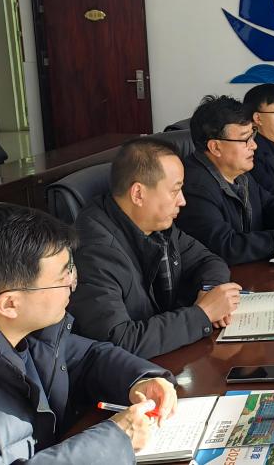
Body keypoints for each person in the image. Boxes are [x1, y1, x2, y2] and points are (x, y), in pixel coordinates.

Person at [0, 204, 178, 463]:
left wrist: (140, 380)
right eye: (61, 279)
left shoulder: (23, 330)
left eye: (71, 271)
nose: (72, 285)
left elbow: (88, 358)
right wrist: (117, 439)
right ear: (10, 304)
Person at [69, 137, 241, 358]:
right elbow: (118, 341)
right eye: (175, 191)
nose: (182, 201)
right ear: (138, 194)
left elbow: (208, 260)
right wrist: (203, 314)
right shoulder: (95, 251)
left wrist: (209, 292)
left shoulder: (155, 224)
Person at [176, 95, 274, 265]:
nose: (254, 145)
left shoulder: (239, 173)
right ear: (215, 147)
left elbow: (270, 202)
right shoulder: (194, 188)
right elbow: (226, 247)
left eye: (253, 136)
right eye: (245, 139)